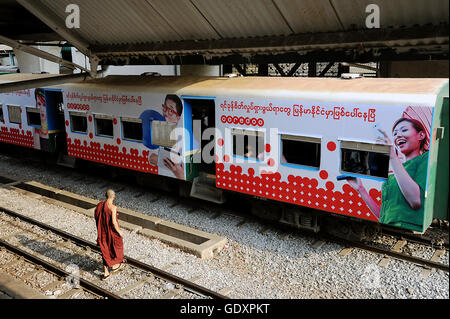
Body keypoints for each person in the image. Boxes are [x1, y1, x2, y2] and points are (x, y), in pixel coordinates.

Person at [347, 118, 429, 231]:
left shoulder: (425, 159)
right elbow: (383, 216)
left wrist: (391, 154)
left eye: (404, 130)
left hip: (408, 226)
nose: (398, 135)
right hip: (391, 226)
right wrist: (361, 189)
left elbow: (415, 201)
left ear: (421, 135)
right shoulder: (392, 176)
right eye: (395, 133)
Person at [149, 94, 185, 179]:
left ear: (178, 118)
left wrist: (162, 159)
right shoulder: (160, 129)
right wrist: (173, 164)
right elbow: (151, 157)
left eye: (171, 111)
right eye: (165, 108)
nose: (165, 113)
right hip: (162, 176)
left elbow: (183, 169)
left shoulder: (184, 136)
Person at [94, 189, 125, 280]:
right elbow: (114, 223)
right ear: (114, 197)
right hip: (111, 232)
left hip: (103, 232)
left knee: (105, 250)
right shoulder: (113, 208)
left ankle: (106, 272)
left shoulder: (100, 205)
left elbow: (97, 216)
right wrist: (119, 232)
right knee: (117, 246)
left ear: (105, 195)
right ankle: (115, 265)